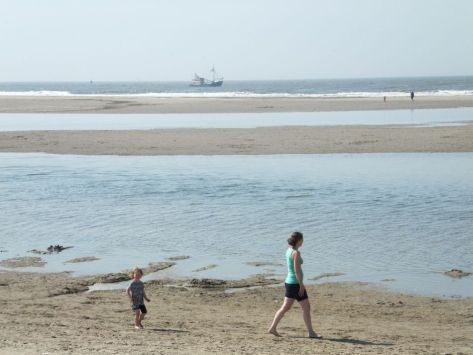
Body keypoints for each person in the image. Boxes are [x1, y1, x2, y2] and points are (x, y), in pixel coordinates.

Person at [268, 231, 319, 338]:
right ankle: (311, 332)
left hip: (289, 283)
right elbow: (297, 270)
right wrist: (301, 285)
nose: (303, 242)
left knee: (285, 307)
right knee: (306, 308)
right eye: (302, 240)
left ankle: (272, 328)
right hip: (295, 284)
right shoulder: (296, 253)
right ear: (299, 240)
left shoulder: (289, 250)